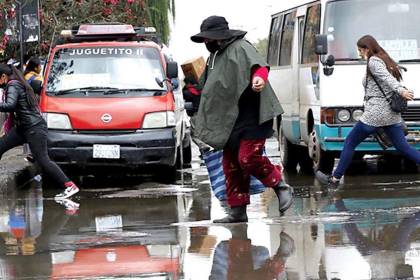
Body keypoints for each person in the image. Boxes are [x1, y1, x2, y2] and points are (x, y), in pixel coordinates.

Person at [190, 16, 294, 223]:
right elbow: (207, 87)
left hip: (252, 116)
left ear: (217, 37)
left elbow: (260, 68)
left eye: (208, 39)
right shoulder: (214, 58)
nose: (206, 43)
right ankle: (237, 211)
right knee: (231, 165)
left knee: (248, 158)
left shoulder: (241, 47)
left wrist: (259, 79)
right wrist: (191, 90)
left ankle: (280, 185)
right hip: (229, 121)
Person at [316, 35, 420, 188]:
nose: (359, 54)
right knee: (403, 147)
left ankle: (335, 179)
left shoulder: (373, 61)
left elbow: (387, 79)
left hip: (375, 114)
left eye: (360, 50)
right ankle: (335, 177)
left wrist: (401, 90)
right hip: (391, 115)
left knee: (350, 142)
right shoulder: (385, 59)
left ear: (367, 48)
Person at [0, 63, 79, 199]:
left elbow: (10, 105)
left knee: (43, 160)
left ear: (3, 76)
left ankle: (69, 186)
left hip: (33, 128)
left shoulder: (13, 85)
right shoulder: (17, 83)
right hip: (23, 128)